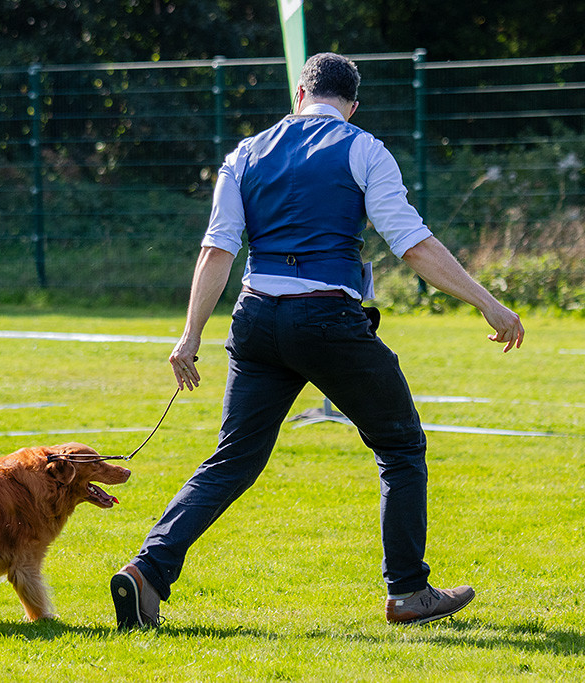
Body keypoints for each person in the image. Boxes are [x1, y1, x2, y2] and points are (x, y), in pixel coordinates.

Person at [109, 52, 524, 629]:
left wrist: (189, 337)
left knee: (232, 459)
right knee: (400, 448)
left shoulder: (244, 154)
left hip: (255, 319)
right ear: (351, 105)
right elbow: (413, 243)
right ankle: (407, 592)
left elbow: (218, 249)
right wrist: (489, 302)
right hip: (326, 319)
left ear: (299, 95)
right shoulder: (362, 147)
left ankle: (147, 571)